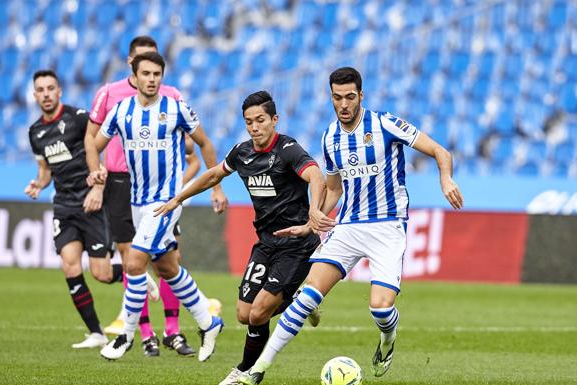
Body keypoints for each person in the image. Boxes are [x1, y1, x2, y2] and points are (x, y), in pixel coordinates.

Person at [238, 67, 465, 384]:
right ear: (331, 97)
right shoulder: (330, 137)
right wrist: (312, 218)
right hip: (349, 226)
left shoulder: (385, 123)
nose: (343, 104)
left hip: (387, 227)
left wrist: (446, 178)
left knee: (381, 311)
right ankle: (258, 369)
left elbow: (440, 151)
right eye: (336, 98)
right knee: (306, 298)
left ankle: (387, 341)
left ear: (361, 96)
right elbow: (334, 189)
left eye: (349, 97)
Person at [154, 91, 325, 384]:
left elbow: (317, 176)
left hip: (297, 244)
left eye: (260, 120)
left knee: (259, 313)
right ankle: (298, 301)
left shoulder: (288, 150)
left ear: (274, 120)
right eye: (249, 122)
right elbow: (213, 175)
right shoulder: (242, 152)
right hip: (266, 243)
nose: (255, 127)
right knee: (244, 314)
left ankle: (245, 371)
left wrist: (313, 212)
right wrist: (179, 198)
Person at [87, 51, 228, 362]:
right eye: (146, 74)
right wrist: (95, 169)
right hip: (137, 202)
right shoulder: (122, 111)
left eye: (157, 74)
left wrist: (216, 187)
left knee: (134, 263)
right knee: (166, 268)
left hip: (166, 202)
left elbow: (204, 143)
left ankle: (125, 335)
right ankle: (209, 321)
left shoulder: (176, 109)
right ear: (135, 77)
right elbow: (94, 143)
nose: (152, 79)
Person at [25, 70, 124, 349]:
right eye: (40, 90)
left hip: (91, 201)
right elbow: (45, 170)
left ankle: (135, 275)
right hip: (64, 205)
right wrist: (38, 184)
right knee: (69, 265)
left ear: (60, 91)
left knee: (102, 274)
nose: (46, 94)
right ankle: (96, 333)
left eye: (50, 88)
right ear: (35, 96)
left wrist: (99, 188)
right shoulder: (36, 132)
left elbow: (100, 151)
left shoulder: (79, 119)